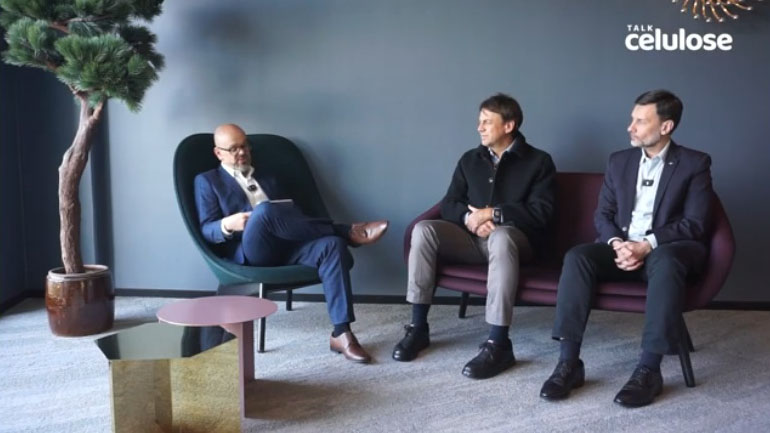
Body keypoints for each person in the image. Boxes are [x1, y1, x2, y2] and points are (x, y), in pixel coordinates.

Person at [540, 90, 713, 407]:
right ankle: (569, 362)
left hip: (666, 250)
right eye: (632, 119)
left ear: (666, 127)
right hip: (622, 246)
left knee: (667, 261)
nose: (630, 127)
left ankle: (649, 370)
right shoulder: (619, 161)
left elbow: (695, 223)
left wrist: (647, 244)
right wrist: (618, 244)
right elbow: (603, 215)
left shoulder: (694, 163)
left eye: (641, 121)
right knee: (578, 257)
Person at [392, 93, 556, 379]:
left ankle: (498, 343)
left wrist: (493, 214)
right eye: (479, 121)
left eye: (487, 122)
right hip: (471, 239)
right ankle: (418, 328)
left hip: (516, 242)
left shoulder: (539, 161)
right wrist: (470, 220)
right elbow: (449, 203)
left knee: (501, 237)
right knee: (424, 230)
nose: (479, 127)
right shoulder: (470, 159)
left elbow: (541, 213)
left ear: (509, 125)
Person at [194, 123, 389, 363]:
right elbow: (206, 229)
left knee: (332, 246)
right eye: (234, 149)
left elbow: (293, 216)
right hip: (253, 251)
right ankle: (345, 231)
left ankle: (341, 333)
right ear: (218, 153)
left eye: (244, 146)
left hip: (289, 244)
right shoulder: (207, 181)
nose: (242, 152)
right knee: (265, 211)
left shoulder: (268, 176)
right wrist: (228, 223)